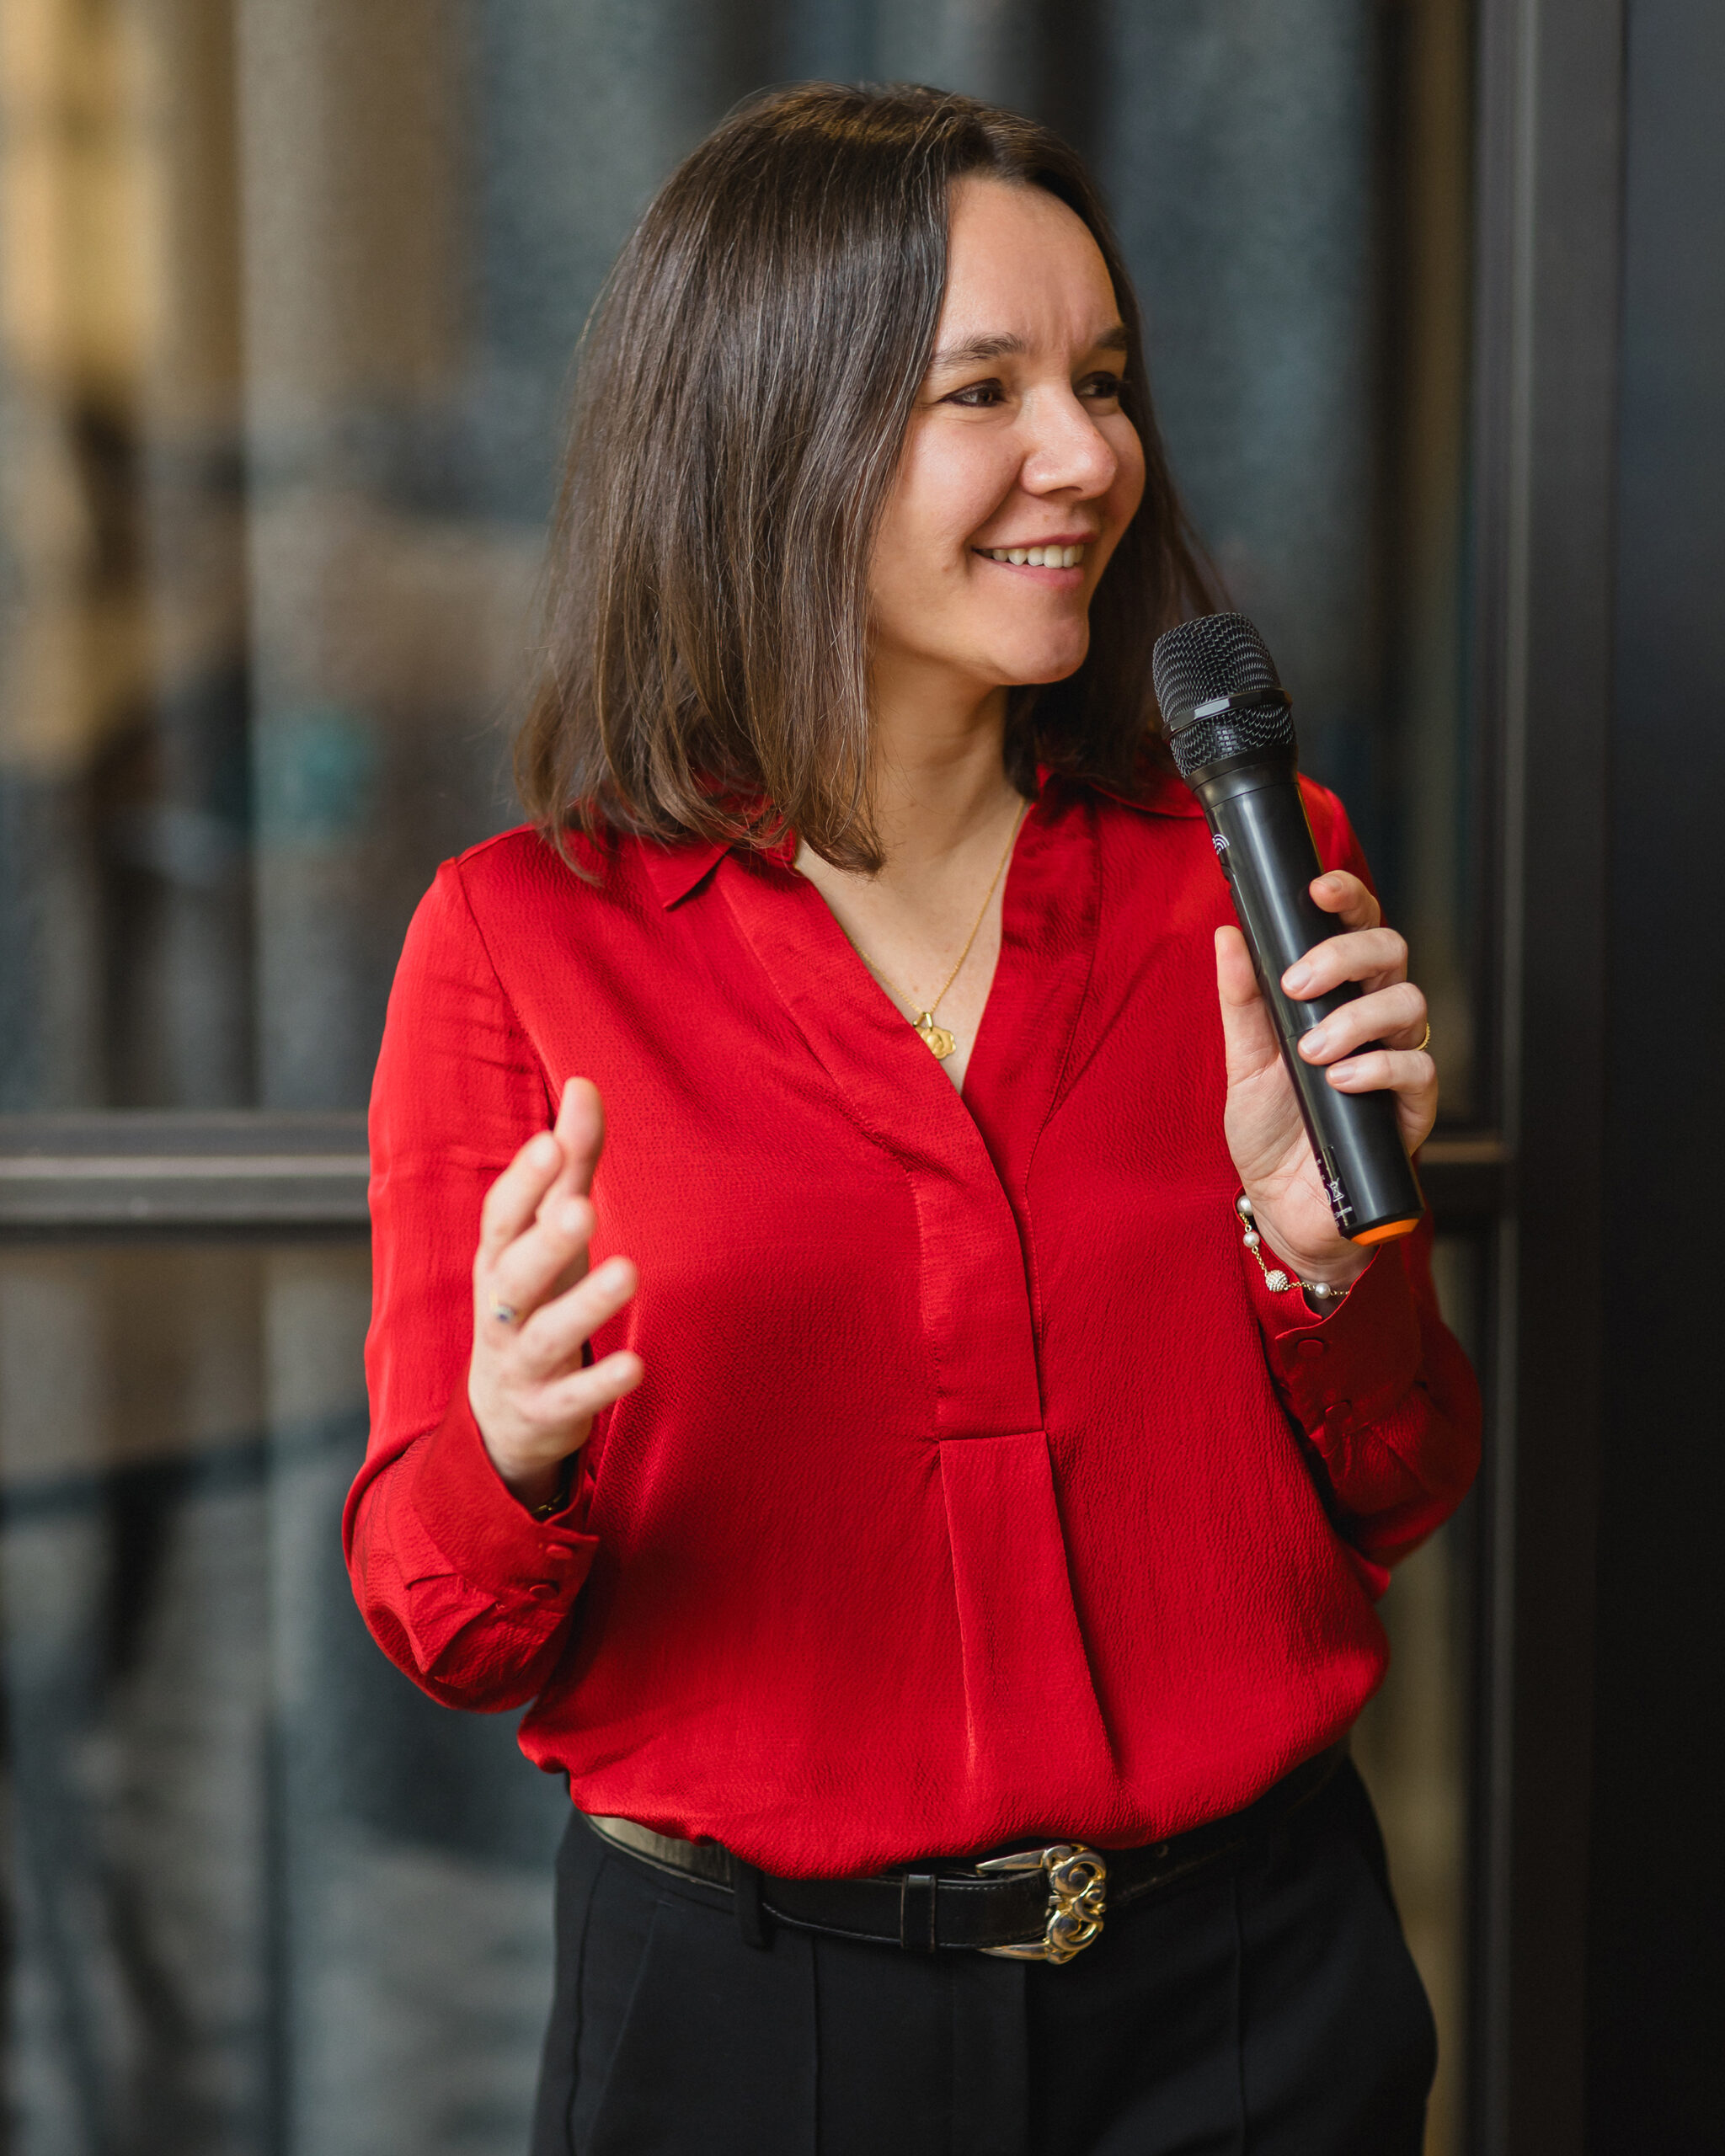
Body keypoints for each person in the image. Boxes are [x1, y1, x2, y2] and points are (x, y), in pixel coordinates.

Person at [346, 83, 1479, 2156]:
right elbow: (438, 1614)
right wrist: (513, 1438)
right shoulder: (519, 943)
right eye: (988, 391)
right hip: (746, 2034)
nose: (1088, 457)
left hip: (1248, 2004)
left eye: (1106, 381)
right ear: (770, 433)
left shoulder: (1250, 867)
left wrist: (1322, 1263)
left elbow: (1398, 1476)